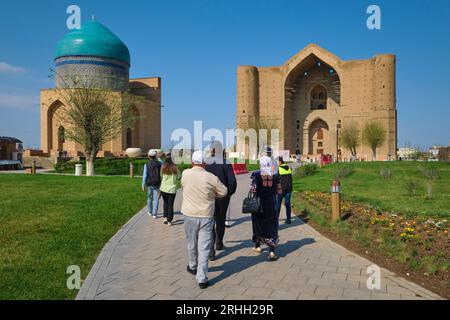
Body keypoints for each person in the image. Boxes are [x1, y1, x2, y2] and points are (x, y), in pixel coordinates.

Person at [181, 150, 228, 289]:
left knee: (191, 243)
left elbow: (183, 185)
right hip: (206, 215)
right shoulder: (211, 177)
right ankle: (202, 278)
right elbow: (224, 191)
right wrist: (213, 194)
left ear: (192, 162)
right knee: (204, 247)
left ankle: (192, 265)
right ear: (204, 163)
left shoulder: (185, 174)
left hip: (189, 214)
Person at [205, 143, 237, 260]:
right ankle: (219, 242)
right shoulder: (226, 163)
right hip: (223, 196)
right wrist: (230, 192)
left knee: (210, 221)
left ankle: (211, 251)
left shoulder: (206, 163)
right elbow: (232, 181)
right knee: (220, 219)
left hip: (209, 195)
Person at [250, 156, 281, 261]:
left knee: (258, 224)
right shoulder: (276, 174)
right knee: (271, 226)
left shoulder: (256, 174)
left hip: (259, 205)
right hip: (271, 204)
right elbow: (279, 191)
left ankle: (257, 246)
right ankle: (272, 251)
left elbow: (253, 190)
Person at [160, 153, 181, 226]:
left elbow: (161, 176)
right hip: (172, 189)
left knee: (165, 203)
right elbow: (179, 177)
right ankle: (169, 221)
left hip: (163, 188)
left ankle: (165, 218)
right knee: (170, 205)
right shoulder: (176, 168)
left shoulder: (163, 167)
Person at [142, 149, 162, 219]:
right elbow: (161, 173)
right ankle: (154, 214)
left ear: (149, 156)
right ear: (155, 156)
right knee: (156, 199)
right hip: (157, 183)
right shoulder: (160, 163)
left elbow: (145, 175)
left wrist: (143, 184)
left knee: (149, 198)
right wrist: (158, 158)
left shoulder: (146, 164)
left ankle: (150, 211)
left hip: (149, 183)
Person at [276, 157, 293, 224]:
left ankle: (276, 219)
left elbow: (275, 179)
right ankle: (288, 219)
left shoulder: (279, 169)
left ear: (280, 162)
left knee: (278, 204)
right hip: (288, 189)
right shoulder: (289, 168)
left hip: (281, 189)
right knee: (287, 204)